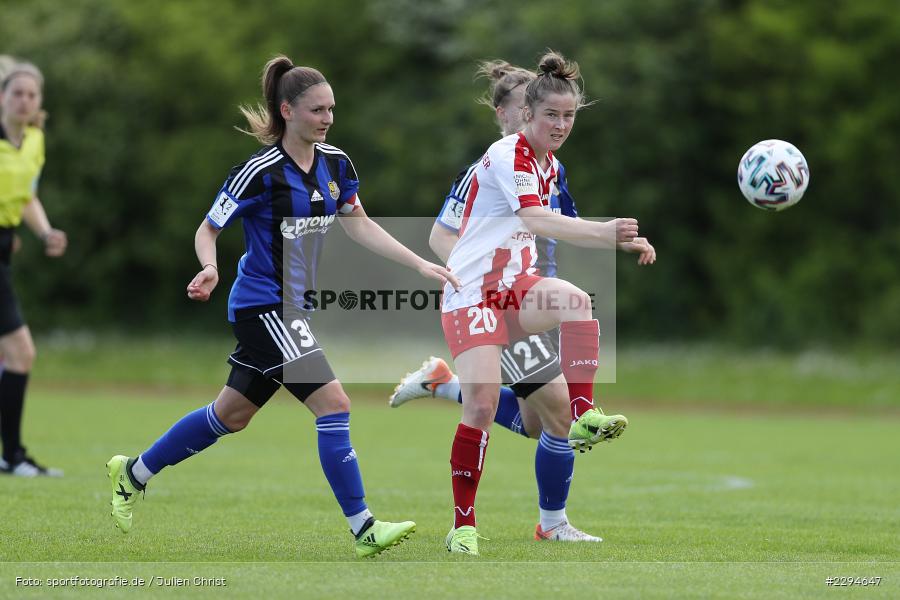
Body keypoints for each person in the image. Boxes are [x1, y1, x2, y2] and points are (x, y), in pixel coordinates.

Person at [106, 55, 459, 558]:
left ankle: (132, 473)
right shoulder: (260, 172)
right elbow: (209, 228)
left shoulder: (337, 164)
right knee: (334, 403)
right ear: (287, 109)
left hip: (294, 310)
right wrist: (210, 267)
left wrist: (419, 264)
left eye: (332, 109)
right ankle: (364, 529)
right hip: (264, 306)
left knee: (230, 415)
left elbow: (358, 223)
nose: (328, 118)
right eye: (318, 109)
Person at [437, 51, 654, 555]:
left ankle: (584, 414)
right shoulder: (508, 155)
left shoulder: (550, 164)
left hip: (515, 288)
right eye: (551, 115)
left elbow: (561, 223)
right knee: (483, 407)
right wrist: (605, 233)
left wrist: (623, 239)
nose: (560, 125)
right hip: (473, 293)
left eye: (569, 116)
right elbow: (537, 221)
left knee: (577, 302)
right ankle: (462, 525)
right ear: (527, 115)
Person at [0, 59, 67, 477]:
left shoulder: (35, 141)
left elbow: (25, 198)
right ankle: (13, 456)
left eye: (31, 94)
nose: (24, 101)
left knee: (13, 354)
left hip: (5, 247)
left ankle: (11, 456)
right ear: (1, 98)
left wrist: (45, 233)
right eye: (16, 93)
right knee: (21, 352)